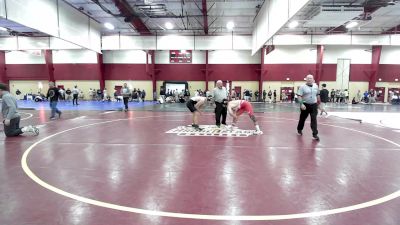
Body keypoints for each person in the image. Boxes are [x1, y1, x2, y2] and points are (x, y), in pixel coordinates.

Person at [296, 74, 320, 141]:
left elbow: (318, 94)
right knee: (302, 119)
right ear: (306, 79)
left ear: (313, 79)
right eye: (308, 78)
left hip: (314, 105)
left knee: (314, 119)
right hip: (305, 105)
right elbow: (299, 96)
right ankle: (299, 129)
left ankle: (315, 134)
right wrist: (301, 104)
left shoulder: (316, 86)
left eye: (311, 78)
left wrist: (319, 104)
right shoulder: (302, 87)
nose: (309, 79)